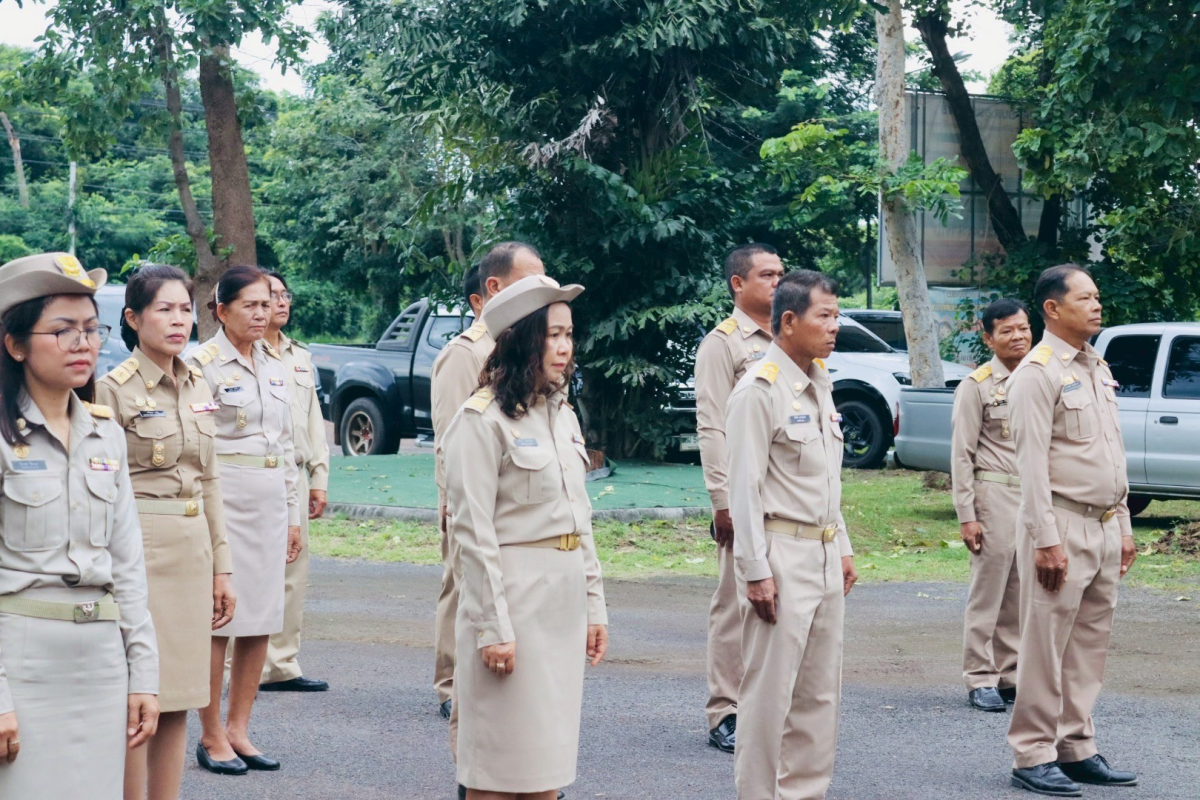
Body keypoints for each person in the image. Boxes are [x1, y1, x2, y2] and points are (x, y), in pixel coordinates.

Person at [0, 252, 159, 797]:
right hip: (22, 662)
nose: (83, 344)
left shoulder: (105, 434)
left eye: (91, 330)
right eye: (63, 331)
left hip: (100, 663)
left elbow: (129, 566)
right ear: (16, 343)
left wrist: (145, 676)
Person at [444, 274, 608, 800]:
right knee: (497, 771)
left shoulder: (560, 412)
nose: (563, 347)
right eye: (551, 335)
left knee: (547, 772)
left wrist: (595, 606)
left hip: (561, 603)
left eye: (568, 334)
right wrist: (492, 627)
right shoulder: (481, 419)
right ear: (518, 339)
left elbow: (578, 521)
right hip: (512, 602)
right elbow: (472, 533)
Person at [94, 264, 236, 799]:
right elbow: (104, 488)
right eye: (164, 309)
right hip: (141, 548)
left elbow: (212, 478)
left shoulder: (198, 380)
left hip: (193, 544)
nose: (179, 321)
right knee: (140, 691)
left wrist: (223, 565)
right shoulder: (111, 390)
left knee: (181, 692)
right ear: (132, 318)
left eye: (185, 309)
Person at [1006, 264, 1138, 797]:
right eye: (1084, 298)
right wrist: (1046, 539)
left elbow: (1112, 454)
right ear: (1052, 310)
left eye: (1098, 296)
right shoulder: (1036, 373)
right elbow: (1030, 465)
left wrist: (1124, 526)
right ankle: (1032, 753)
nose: (1097, 305)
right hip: (1060, 523)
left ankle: (1076, 745)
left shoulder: (1094, 366)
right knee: (1044, 644)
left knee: (1088, 644)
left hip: (1104, 525)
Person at [727, 270, 857, 800]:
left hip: (823, 552)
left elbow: (826, 479)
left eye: (836, 314)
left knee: (819, 694)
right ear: (788, 321)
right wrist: (756, 572)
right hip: (780, 555)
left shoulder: (819, 382)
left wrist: (843, 547)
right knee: (768, 697)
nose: (835, 325)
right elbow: (745, 491)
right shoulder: (759, 390)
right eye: (823, 316)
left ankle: (804, 792)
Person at [188, 265, 302, 775]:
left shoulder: (275, 364)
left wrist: (294, 514)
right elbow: (197, 450)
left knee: (261, 620)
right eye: (251, 304)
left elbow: (286, 446)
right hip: (226, 502)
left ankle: (240, 728)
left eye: (268, 302)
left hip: (271, 502)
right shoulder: (201, 363)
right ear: (222, 311)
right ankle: (211, 733)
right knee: (220, 621)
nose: (262, 313)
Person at [430, 243, 545, 735]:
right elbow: (451, 438)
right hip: (473, 496)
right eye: (530, 280)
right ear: (493, 289)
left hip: (517, 499)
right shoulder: (466, 353)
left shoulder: (528, 347)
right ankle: (452, 684)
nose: (541, 290)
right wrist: (452, 504)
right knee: (464, 586)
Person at [694, 243, 782, 753]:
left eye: (780, 274)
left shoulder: (788, 338)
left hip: (785, 496)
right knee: (733, 603)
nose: (775, 281)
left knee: (779, 602)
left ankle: (765, 704)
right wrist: (722, 501)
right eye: (765, 274)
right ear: (738, 284)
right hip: (741, 497)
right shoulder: (723, 344)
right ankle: (724, 710)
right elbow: (711, 425)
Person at [951, 298, 1032, 713]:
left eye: (1023, 328)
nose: (1018, 336)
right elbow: (961, 455)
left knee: (1021, 590)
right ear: (989, 337)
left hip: (1033, 498)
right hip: (994, 495)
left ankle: (1010, 674)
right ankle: (979, 676)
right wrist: (968, 515)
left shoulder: (1039, 379)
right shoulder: (977, 385)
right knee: (989, 591)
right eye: (1007, 331)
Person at [258, 270, 331, 694]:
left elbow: (313, 421)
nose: (281, 302)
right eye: (271, 295)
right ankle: (236, 663)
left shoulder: (298, 355)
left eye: (285, 295)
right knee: (247, 568)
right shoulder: (241, 355)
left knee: (293, 567)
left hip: (295, 474)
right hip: (252, 472)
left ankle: (281, 664)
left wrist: (319, 478)